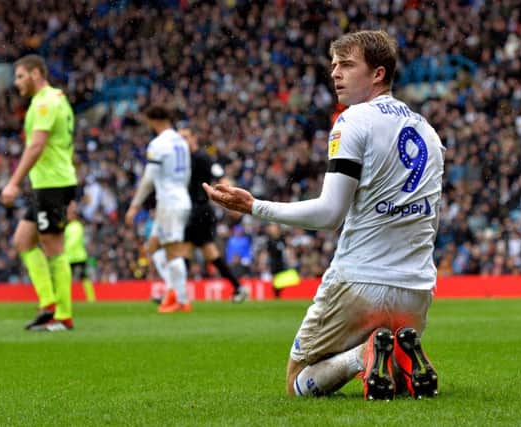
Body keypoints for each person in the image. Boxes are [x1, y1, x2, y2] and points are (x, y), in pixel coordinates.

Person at [204, 30, 443, 400]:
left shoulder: (353, 120)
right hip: (417, 289)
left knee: (298, 381)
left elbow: (329, 214)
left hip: (360, 280)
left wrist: (254, 206)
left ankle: (362, 355)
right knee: (389, 378)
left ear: (378, 74)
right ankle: (398, 358)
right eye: (333, 65)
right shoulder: (428, 131)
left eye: (347, 65)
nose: (335, 74)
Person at [0, 54, 77, 331]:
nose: (16, 82)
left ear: (35, 74)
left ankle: (63, 315)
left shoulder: (44, 102)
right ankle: (48, 303)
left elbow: (36, 146)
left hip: (52, 184)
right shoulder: (57, 98)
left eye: (20, 76)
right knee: (23, 240)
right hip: (52, 182)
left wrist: (13, 182)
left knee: (53, 246)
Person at [125, 105, 192, 313]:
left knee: (172, 251)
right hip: (179, 197)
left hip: (170, 202)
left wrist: (134, 206)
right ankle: (173, 291)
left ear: (152, 120)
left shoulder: (158, 144)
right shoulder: (181, 141)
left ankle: (181, 300)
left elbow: (148, 179)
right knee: (152, 247)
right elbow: (187, 173)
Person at [176, 122, 249, 302]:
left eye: (185, 137)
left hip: (200, 210)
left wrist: (233, 202)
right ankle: (239, 288)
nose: (182, 141)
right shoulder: (183, 159)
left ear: (194, 138)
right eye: (180, 138)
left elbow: (221, 177)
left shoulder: (203, 157)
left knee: (184, 251)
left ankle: (176, 294)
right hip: (193, 210)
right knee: (209, 254)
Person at [64, 200, 96, 303]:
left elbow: (73, 241)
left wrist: (62, 250)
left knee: (84, 277)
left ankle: (91, 299)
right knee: (67, 279)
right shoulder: (67, 227)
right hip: (69, 257)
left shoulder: (77, 226)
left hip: (78, 257)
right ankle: (66, 298)